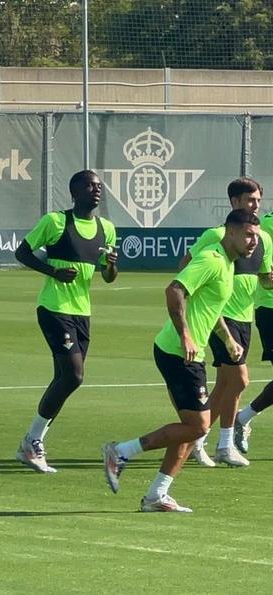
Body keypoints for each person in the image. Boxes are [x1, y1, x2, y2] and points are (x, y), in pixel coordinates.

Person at [103, 209, 260, 513]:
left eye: (255, 235)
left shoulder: (228, 264)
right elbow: (175, 290)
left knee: (190, 427)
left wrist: (228, 341)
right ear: (230, 232)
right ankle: (121, 452)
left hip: (190, 352)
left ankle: (156, 495)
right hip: (178, 351)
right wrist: (186, 335)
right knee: (199, 426)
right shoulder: (212, 260)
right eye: (248, 234)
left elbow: (209, 307)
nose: (254, 241)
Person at [13, 170, 118, 473]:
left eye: (99, 186)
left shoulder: (106, 229)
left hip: (82, 312)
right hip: (54, 307)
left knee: (66, 379)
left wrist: (111, 266)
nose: (96, 190)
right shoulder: (56, 222)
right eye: (88, 185)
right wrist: (53, 272)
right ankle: (33, 441)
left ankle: (31, 443)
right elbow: (22, 253)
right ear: (74, 192)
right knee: (74, 376)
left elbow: (109, 277)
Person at [176, 178, 271, 467]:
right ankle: (223, 442)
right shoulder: (214, 235)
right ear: (234, 203)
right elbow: (184, 268)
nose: (254, 205)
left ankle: (201, 439)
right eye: (249, 200)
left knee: (227, 384)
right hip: (221, 318)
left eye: (257, 200)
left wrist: (269, 281)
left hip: (245, 316)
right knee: (240, 379)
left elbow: (265, 280)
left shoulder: (263, 238)